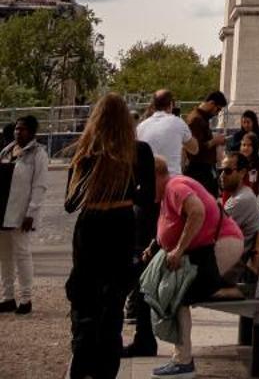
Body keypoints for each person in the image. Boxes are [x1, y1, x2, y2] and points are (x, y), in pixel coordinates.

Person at [64, 95, 152, 377]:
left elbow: (70, 203)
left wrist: (95, 183)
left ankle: (82, 352)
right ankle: (105, 367)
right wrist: (126, 189)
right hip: (120, 224)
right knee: (113, 301)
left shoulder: (84, 151)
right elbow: (148, 198)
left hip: (90, 224)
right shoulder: (139, 151)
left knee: (85, 295)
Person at [149, 153, 245, 377]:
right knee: (180, 296)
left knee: (180, 295)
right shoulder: (168, 192)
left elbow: (197, 212)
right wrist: (155, 246)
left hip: (223, 243)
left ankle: (183, 361)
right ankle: (181, 358)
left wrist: (179, 249)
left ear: (157, 176)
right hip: (211, 248)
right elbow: (169, 228)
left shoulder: (175, 187)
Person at [0, 114, 47, 316]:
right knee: (4, 256)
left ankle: (26, 298)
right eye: (17, 128)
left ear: (32, 131)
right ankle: (8, 297)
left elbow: (39, 185)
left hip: (21, 212)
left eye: (23, 129)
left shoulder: (38, 154)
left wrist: (31, 212)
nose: (19, 132)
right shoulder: (7, 150)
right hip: (2, 210)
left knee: (22, 254)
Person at [135, 94, 196, 179]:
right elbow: (194, 149)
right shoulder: (178, 122)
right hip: (172, 180)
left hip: (149, 181)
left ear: (153, 106)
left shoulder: (140, 126)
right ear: (171, 105)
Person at [182, 91, 227, 193]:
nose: (217, 113)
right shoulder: (196, 120)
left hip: (204, 170)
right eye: (218, 109)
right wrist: (214, 141)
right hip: (199, 171)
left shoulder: (201, 118)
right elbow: (195, 149)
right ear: (211, 103)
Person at [219, 152, 259, 250]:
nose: (221, 176)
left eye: (227, 171)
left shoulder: (241, 200)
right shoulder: (242, 193)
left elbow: (215, 231)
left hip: (236, 260)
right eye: (220, 171)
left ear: (242, 172)